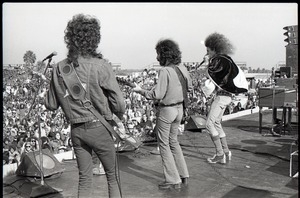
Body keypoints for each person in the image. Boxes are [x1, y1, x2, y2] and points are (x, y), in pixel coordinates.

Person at [44, 13, 125, 198]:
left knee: (84, 179)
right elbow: (119, 103)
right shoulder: (101, 65)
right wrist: (115, 114)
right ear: (95, 39)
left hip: (77, 131)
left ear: (71, 38)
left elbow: (50, 104)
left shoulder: (60, 67)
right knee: (113, 178)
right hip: (99, 129)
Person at [132, 39, 191, 190]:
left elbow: (157, 94)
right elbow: (187, 87)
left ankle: (172, 179)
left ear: (164, 54)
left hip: (167, 110)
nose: (157, 58)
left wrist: (141, 91)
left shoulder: (165, 71)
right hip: (180, 109)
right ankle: (184, 175)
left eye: (158, 54)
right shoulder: (182, 68)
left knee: (163, 144)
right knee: (174, 141)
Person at [202, 32, 248, 164]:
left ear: (214, 49)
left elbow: (213, 75)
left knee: (209, 124)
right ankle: (226, 151)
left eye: (208, 51)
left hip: (222, 97)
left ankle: (219, 153)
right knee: (216, 123)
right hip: (226, 97)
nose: (207, 53)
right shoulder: (225, 59)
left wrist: (207, 63)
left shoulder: (219, 60)